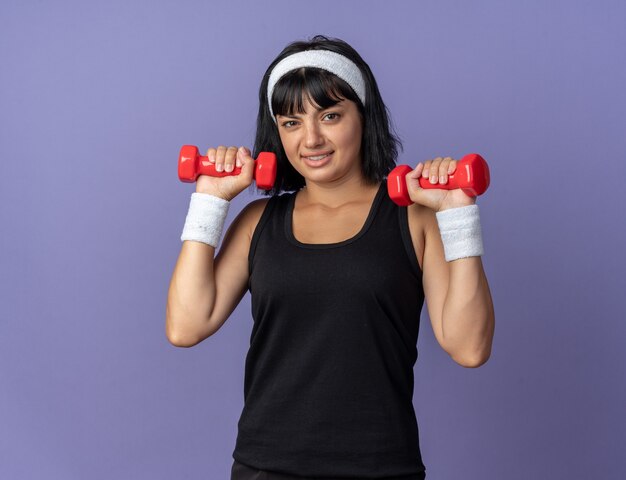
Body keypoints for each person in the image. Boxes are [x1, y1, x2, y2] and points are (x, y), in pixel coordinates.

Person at [166, 35, 495, 480]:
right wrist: (209, 201)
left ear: (363, 116)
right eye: (291, 123)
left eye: (331, 115)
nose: (312, 138)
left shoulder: (415, 216)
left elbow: (469, 347)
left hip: (381, 467)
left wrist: (458, 215)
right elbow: (186, 326)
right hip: (267, 467)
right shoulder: (258, 221)